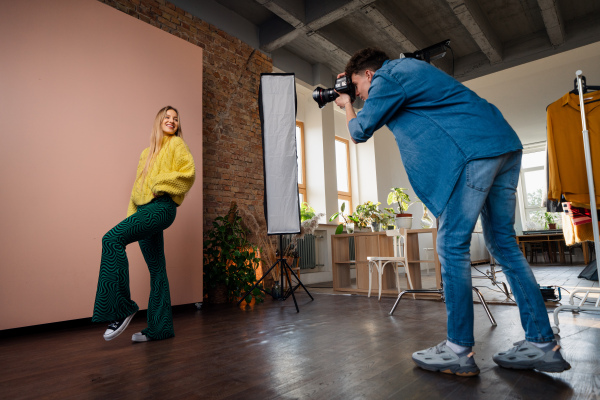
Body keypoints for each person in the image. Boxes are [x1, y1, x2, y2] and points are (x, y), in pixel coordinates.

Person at [334, 48, 570, 376]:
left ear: (369, 74)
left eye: (357, 86)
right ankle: (541, 342)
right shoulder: (411, 71)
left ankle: (458, 349)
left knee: (451, 246)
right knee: (503, 245)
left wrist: (346, 108)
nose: (357, 94)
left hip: (474, 153)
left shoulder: (387, 77)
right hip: (502, 144)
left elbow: (359, 132)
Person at [92, 105, 195, 342]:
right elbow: (136, 190)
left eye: (176, 119)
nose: (172, 121)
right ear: (159, 121)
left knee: (111, 239)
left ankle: (122, 308)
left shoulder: (177, 145)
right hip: (144, 210)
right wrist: (132, 219)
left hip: (162, 208)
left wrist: (159, 184)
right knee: (157, 269)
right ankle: (161, 329)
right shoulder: (145, 153)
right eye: (167, 117)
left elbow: (188, 173)